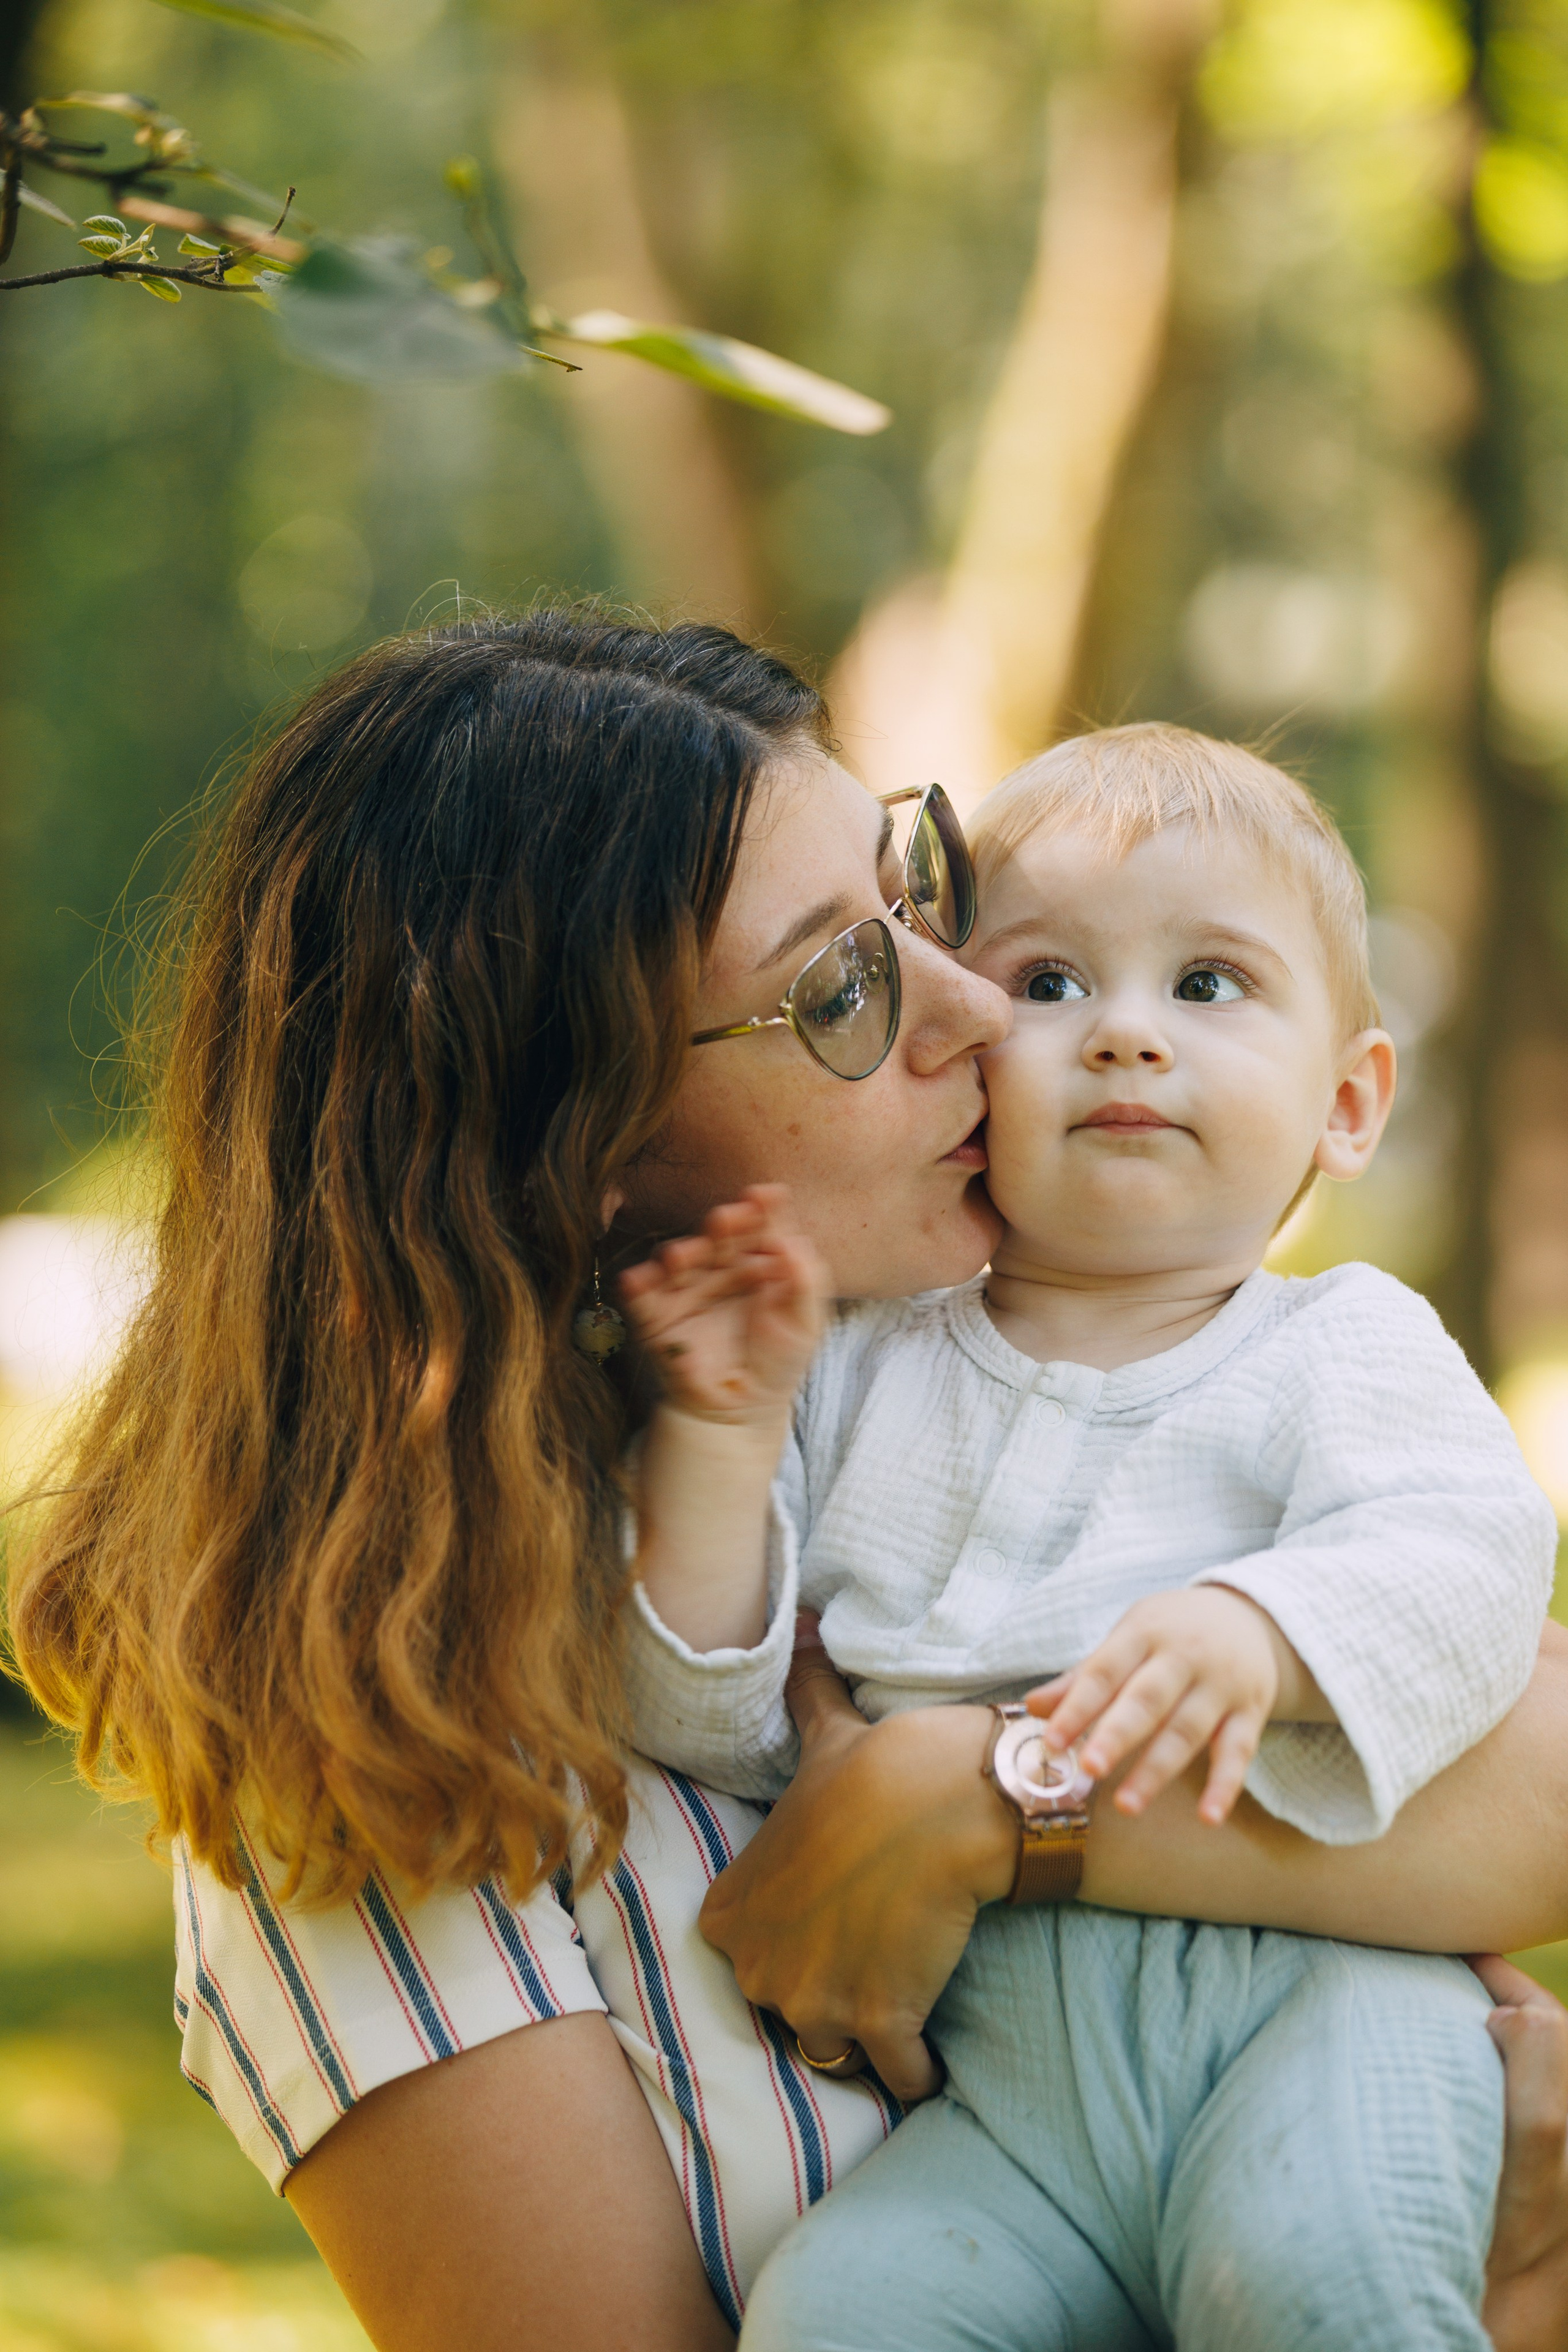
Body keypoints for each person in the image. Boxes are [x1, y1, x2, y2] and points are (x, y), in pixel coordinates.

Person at [7, 614, 1568, 2352]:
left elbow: (1533, 1743)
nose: (979, 1001)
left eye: (916, 899)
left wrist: (973, 1797)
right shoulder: (378, 1787)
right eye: (839, 984)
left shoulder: (1224, 1368)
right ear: (573, 1154)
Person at [620, 723, 1557, 2347]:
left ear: (1348, 1102)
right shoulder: (857, 1365)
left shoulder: (1341, 1345)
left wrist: (1269, 1631)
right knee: (832, 2314)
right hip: (1009, 2114)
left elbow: (1470, 1563)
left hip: (1321, 2004)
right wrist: (719, 1437)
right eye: (1049, 984)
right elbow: (704, 1710)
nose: (1124, 1036)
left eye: (1209, 986)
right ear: (972, 1055)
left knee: (1321, 2278)